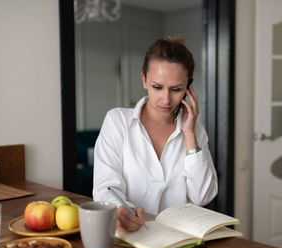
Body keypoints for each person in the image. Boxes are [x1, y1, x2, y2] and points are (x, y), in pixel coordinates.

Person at [92, 36, 218, 232]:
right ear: (144, 80)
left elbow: (202, 197)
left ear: (188, 88)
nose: (166, 99)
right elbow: (105, 188)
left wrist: (190, 135)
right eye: (157, 87)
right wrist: (121, 211)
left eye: (176, 89)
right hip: (132, 235)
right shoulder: (117, 122)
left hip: (179, 239)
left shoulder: (195, 132)